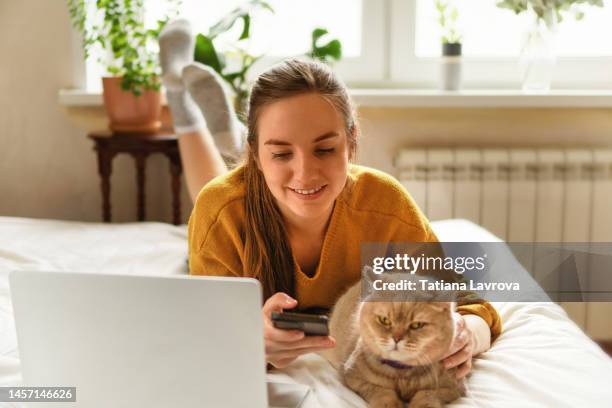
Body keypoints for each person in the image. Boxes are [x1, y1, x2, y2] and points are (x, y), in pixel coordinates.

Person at [158, 20, 502, 372]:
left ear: (351, 144)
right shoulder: (222, 211)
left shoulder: (386, 206)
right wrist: (251, 342)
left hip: (257, 176)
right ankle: (183, 106)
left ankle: (229, 132)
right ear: (257, 155)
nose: (306, 174)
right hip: (234, 196)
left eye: (324, 149)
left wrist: (467, 335)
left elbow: (470, 305)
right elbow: (206, 333)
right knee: (215, 189)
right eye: (280, 153)